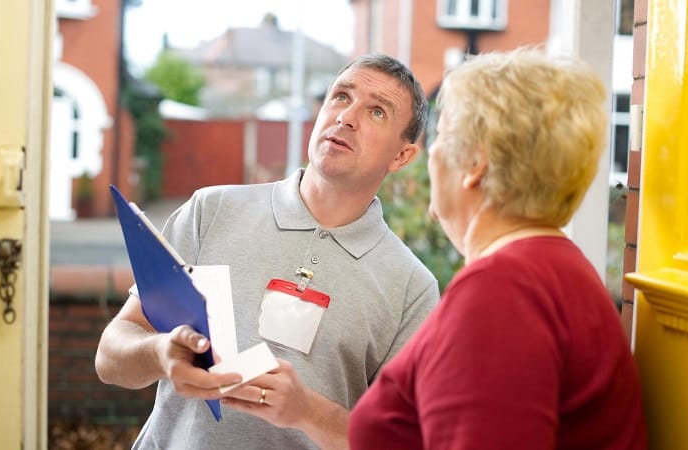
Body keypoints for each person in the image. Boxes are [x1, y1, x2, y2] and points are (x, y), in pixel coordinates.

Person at [95, 53, 439, 450]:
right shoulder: (211, 211)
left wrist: (308, 411)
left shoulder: (412, 289)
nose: (346, 117)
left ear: (402, 156)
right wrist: (159, 354)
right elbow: (109, 357)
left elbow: (403, 441)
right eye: (341, 97)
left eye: (377, 111)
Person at [348, 49, 648, 449]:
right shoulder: (557, 269)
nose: (432, 153)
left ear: (475, 164)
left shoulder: (500, 293)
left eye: (440, 136)